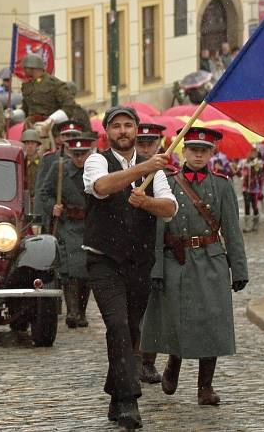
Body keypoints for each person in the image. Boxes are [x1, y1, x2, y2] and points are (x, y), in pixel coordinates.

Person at [82, 106, 177, 430]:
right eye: (117, 126)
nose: (123, 131)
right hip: (103, 259)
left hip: (139, 261)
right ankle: (128, 401)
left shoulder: (157, 171)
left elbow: (168, 210)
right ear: (107, 132)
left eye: (128, 125)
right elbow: (102, 187)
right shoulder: (97, 160)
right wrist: (142, 169)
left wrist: (146, 202)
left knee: (132, 330)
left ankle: (115, 392)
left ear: (136, 131)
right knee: (118, 325)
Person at [142, 126, 248, 407]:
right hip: (176, 258)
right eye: (193, 150)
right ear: (183, 151)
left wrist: (239, 270)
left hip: (211, 259)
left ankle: (205, 387)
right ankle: (173, 364)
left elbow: (233, 231)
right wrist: (156, 268)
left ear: (212, 153)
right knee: (176, 318)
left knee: (211, 322)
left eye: (204, 151)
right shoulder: (167, 182)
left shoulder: (222, 185)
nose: (199, 155)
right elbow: (158, 227)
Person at [39, 134, 96, 328]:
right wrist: (51, 208)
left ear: (89, 153)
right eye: (76, 154)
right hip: (68, 224)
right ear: (70, 153)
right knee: (70, 270)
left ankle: (81, 311)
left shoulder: (95, 170)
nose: (79, 158)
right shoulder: (60, 168)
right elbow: (44, 193)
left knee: (86, 270)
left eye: (83, 154)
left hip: (89, 224)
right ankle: (72, 312)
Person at [131, 121, 168, 385]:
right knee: (131, 309)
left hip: (161, 250)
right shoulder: (126, 173)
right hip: (130, 249)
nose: (145, 148)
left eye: (150, 144)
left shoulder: (169, 175)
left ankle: (148, 361)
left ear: (159, 145)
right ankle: (131, 359)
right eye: (140, 144)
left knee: (155, 310)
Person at [33, 121, 85, 227]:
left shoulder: (89, 160)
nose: (70, 139)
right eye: (66, 135)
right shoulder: (49, 159)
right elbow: (41, 193)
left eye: (74, 135)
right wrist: (38, 221)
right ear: (61, 137)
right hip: (60, 220)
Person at [20, 53, 89, 131]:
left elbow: (69, 106)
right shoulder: (27, 86)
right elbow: (25, 108)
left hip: (51, 129)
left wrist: (50, 120)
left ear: (33, 68)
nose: (24, 70)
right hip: (30, 128)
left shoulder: (54, 84)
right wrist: (13, 114)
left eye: (26, 68)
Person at [238, 147, 264, 233]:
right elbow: (239, 174)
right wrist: (236, 170)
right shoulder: (243, 162)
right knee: (246, 205)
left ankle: (255, 223)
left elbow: (260, 176)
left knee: (254, 206)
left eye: (254, 152)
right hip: (245, 188)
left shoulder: (258, 163)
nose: (252, 154)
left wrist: (260, 190)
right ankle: (247, 225)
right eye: (250, 152)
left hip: (255, 189)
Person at [21, 129, 42, 213]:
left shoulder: (43, 163)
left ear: (37, 145)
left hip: (39, 202)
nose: (30, 146)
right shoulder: (21, 163)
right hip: (24, 201)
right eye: (27, 143)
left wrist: (38, 196)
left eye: (32, 143)